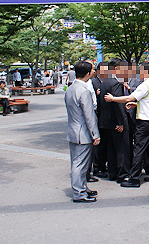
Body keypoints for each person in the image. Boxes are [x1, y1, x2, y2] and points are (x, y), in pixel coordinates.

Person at [106, 61, 149, 188]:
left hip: (145, 122)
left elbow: (128, 98)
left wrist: (113, 99)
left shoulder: (145, 85)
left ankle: (134, 178)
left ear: (146, 72)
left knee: (138, 149)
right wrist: (137, 105)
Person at [64, 60, 100, 203]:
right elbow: (89, 115)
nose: (93, 72)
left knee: (77, 162)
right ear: (87, 73)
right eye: (92, 70)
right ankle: (79, 193)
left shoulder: (71, 88)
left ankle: (82, 188)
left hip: (73, 130)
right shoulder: (83, 90)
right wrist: (95, 134)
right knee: (80, 164)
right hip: (83, 133)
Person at [97, 59, 131, 182]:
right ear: (116, 69)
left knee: (111, 149)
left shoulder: (105, 81)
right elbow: (118, 105)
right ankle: (123, 175)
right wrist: (121, 122)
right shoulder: (115, 83)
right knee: (122, 149)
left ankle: (113, 173)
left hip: (107, 122)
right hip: (116, 123)